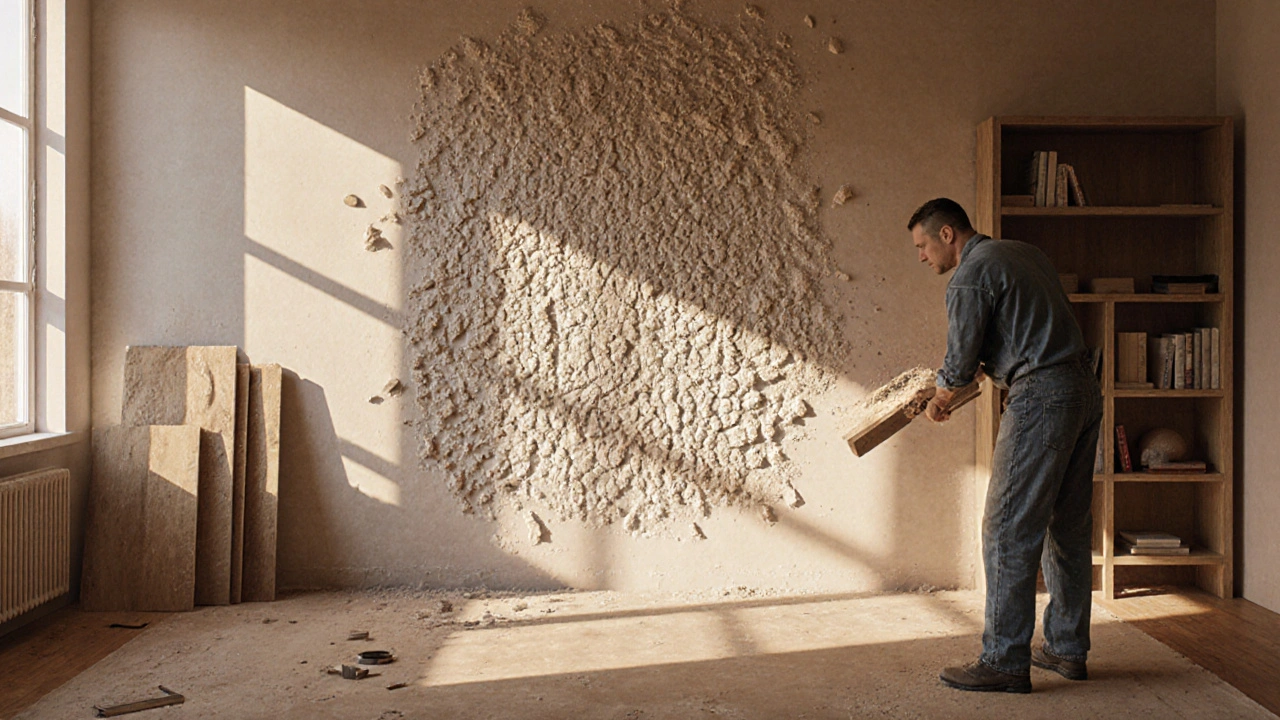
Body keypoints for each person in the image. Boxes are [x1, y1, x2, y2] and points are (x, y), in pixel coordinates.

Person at [908, 198, 1102, 694]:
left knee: (1007, 527)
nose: (922, 256)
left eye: (923, 245)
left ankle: (1004, 661)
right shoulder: (1023, 253)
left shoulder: (970, 275)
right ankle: (1066, 648)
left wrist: (942, 396)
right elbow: (1014, 335)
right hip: (1082, 387)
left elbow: (960, 359)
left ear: (947, 234)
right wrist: (958, 381)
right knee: (1068, 525)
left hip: (1041, 395)